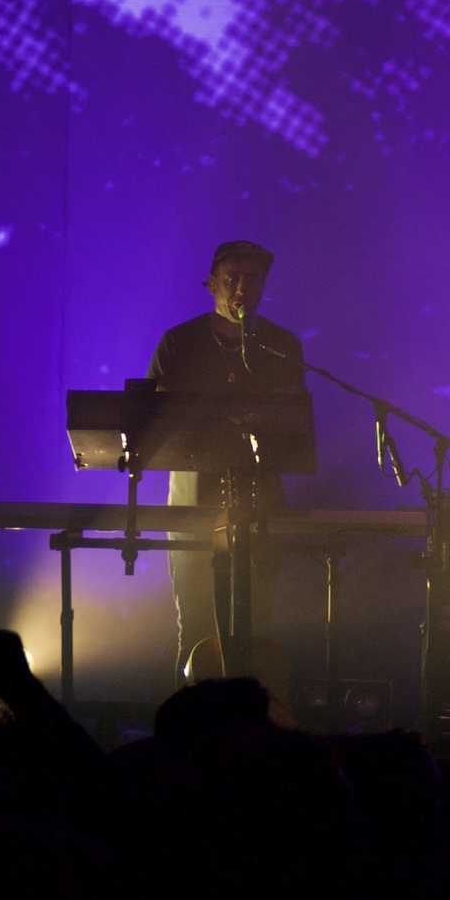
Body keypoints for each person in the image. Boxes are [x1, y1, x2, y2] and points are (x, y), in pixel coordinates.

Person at [148, 238, 310, 676]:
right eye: (232, 278)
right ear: (211, 283)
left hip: (260, 501)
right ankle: (190, 725)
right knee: (197, 625)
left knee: (257, 625)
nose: (242, 287)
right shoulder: (179, 343)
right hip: (192, 499)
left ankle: (255, 726)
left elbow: (292, 421)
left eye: (252, 279)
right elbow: (154, 419)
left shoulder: (280, 345)